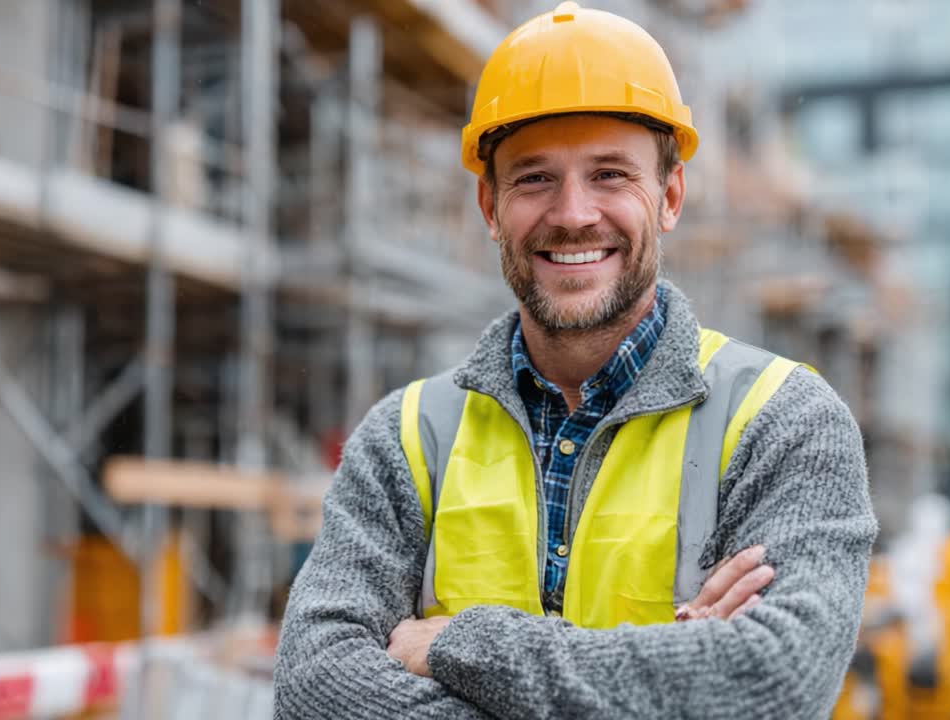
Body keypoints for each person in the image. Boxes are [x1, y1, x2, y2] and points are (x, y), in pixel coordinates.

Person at [274, 2, 877, 717]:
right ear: (489, 205)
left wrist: (458, 646)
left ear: (670, 196)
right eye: (533, 178)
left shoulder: (781, 422)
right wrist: (669, 679)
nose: (572, 213)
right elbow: (313, 692)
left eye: (611, 175)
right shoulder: (404, 439)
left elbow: (772, 684)